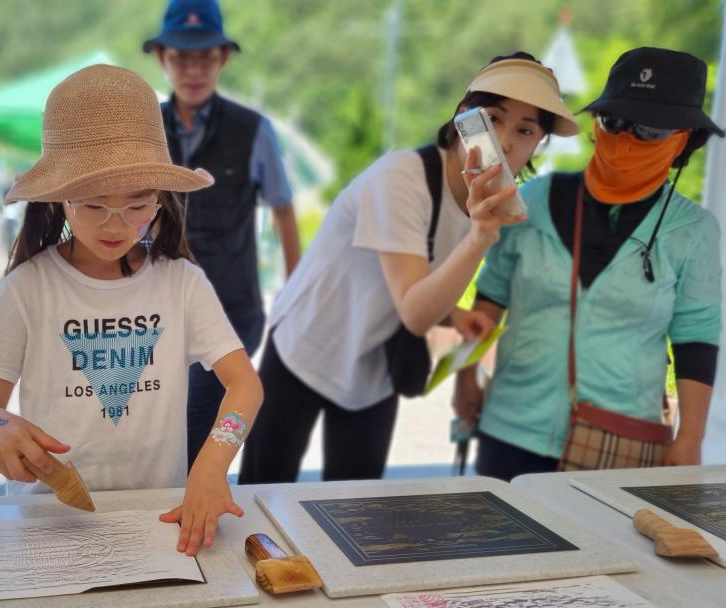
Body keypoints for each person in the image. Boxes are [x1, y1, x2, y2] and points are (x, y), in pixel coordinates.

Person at [0, 65, 263, 556]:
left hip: (158, 515)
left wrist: (210, 466)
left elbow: (245, 383)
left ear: (162, 199)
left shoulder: (181, 283)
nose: (117, 225)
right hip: (50, 518)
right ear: (59, 200)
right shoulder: (28, 288)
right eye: (93, 206)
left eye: (139, 205)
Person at [239, 53, 579, 484]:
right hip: (306, 346)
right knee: (262, 494)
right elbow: (415, 311)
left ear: (539, 143)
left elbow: (423, 285)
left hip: (373, 366)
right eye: (492, 119)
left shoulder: (485, 199)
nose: (506, 141)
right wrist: (481, 236)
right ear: (464, 116)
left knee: (357, 512)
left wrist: (455, 315)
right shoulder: (402, 177)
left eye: (526, 130)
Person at [454, 47, 724, 482]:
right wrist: (465, 378)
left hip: (621, 445)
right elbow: (490, 299)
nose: (627, 139)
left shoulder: (693, 231)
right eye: (614, 122)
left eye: (650, 130)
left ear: (685, 141)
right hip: (510, 433)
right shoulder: (531, 203)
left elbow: (696, 339)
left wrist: (690, 438)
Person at [143, 0, 301, 469]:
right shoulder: (144, 127)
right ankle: (190, 498)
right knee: (158, 422)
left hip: (233, 310)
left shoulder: (253, 130)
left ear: (223, 60)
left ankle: (197, 499)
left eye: (205, 57)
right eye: (181, 58)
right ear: (162, 60)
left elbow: (284, 210)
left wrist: (292, 294)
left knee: (195, 421)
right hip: (158, 309)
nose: (193, 70)